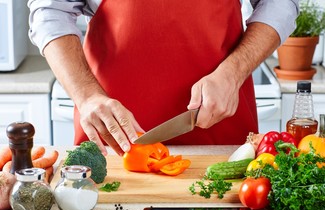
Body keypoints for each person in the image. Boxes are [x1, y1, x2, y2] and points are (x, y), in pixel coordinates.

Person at [28, 0, 299, 156]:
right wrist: (87, 95)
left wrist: (235, 70)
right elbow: (50, 10)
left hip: (220, 133)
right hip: (112, 136)